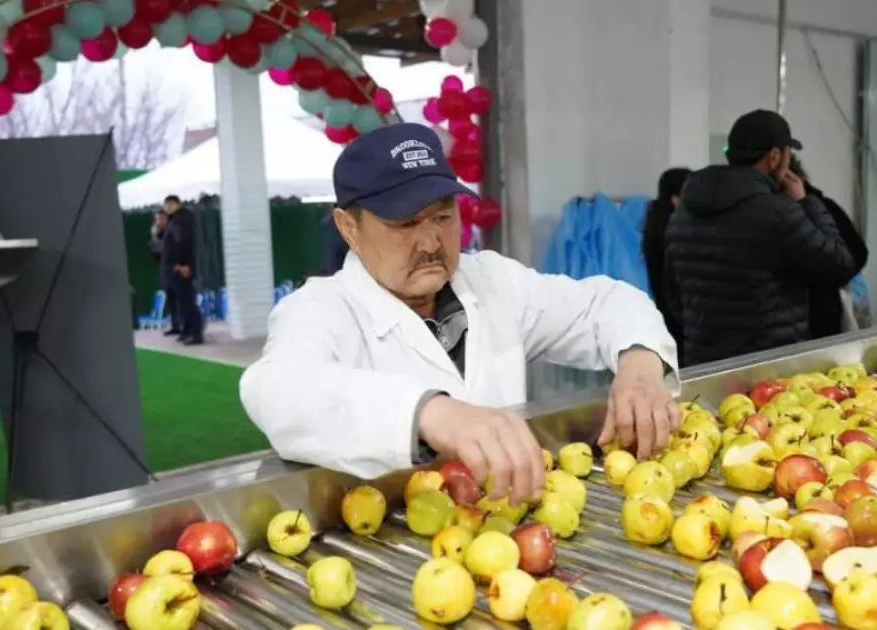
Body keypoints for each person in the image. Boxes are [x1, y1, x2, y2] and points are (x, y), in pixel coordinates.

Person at [240, 123, 679, 503]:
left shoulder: (491, 281)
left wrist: (639, 362)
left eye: (443, 217)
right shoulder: (321, 308)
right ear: (349, 228)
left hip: (505, 531)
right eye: (406, 224)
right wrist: (430, 414)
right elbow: (276, 390)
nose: (431, 242)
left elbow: (604, 303)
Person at [663, 110, 856, 366]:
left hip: (705, 365)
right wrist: (808, 201)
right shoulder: (779, 213)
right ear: (774, 157)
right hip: (767, 368)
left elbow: (672, 294)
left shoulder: (684, 212)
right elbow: (839, 265)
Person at [788, 158, 869, 338]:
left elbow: (857, 253)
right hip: (807, 320)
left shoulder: (822, 207)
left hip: (820, 316)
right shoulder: (772, 212)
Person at [641, 167, 691, 345]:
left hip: (664, 318)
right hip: (680, 321)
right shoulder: (675, 233)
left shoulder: (653, 226)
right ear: (676, 199)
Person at [160, 195, 203, 345]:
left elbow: (184, 243)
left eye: (172, 204)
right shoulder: (175, 221)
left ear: (178, 205)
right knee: (182, 302)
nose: (169, 207)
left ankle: (195, 332)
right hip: (175, 268)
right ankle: (187, 330)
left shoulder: (182, 221)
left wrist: (183, 264)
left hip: (181, 268)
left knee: (187, 302)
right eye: (167, 205)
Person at [149, 209, 181, 334]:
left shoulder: (173, 232)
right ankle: (175, 325)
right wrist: (154, 237)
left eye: (161, 219)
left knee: (179, 299)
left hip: (176, 270)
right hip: (166, 271)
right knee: (171, 299)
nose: (158, 222)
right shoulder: (159, 234)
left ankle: (183, 325)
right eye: (157, 219)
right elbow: (156, 255)